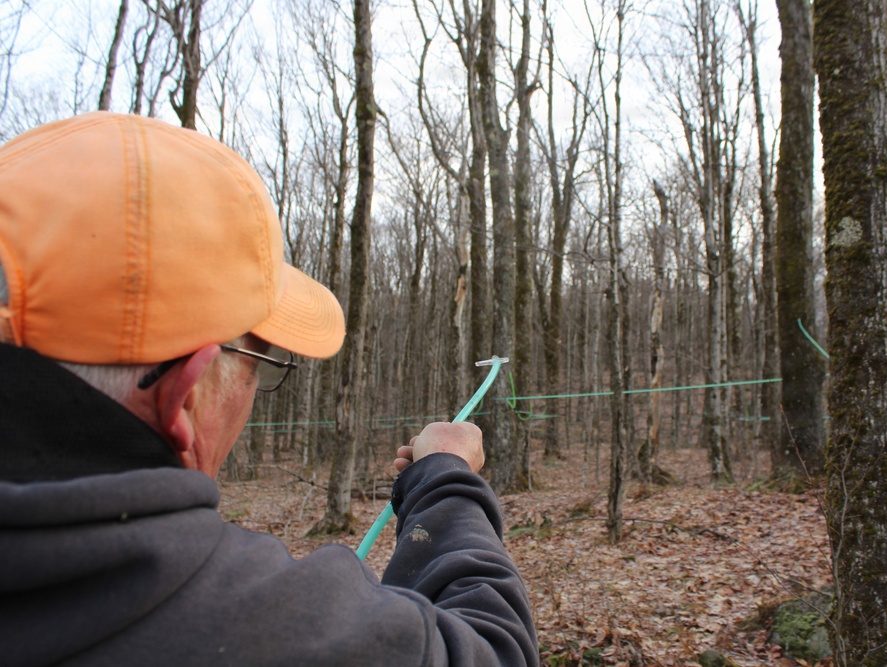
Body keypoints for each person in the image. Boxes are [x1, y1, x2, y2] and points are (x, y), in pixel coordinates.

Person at [0, 112, 537, 666]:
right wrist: (445, 477)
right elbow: (496, 650)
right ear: (185, 393)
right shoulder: (269, 631)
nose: (255, 388)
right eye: (257, 361)